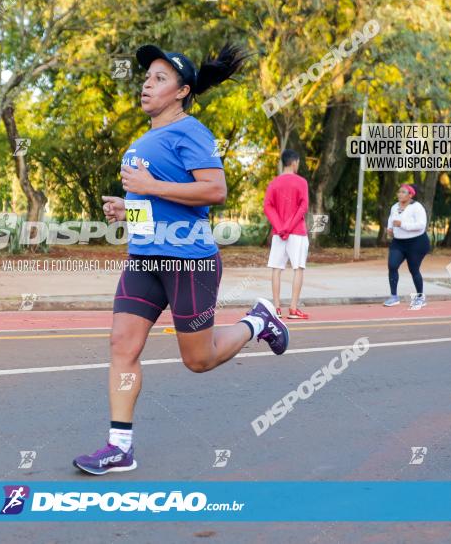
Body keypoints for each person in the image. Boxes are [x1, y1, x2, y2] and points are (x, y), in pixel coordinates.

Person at [73, 43, 289, 476]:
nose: (146, 84)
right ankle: (120, 447)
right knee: (122, 345)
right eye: (146, 77)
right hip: (144, 260)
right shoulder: (144, 140)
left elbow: (214, 191)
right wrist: (126, 208)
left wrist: (149, 187)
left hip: (188, 261)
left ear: (181, 91)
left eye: (159, 79)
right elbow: (153, 201)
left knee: (198, 360)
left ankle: (258, 322)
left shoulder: (192, 132)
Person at [263, 149, 310, 319]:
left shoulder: (273, 183)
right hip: (297, 232)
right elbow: (303, 207)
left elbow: (267, 206)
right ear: (295, 162)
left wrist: (280, 226)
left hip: (279, 233)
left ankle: (276, 308)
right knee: (298, 268)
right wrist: (289, 227)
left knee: (276, 269)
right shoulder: (302, 182)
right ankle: (293, 308)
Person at [384, 183, 430, 309]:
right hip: (398, 242)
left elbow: (421, 225)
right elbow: (391, 220)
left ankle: (420, 297)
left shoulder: (417, 207)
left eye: (403, 192)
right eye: (399, 192)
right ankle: (394, 297)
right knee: (392, 265)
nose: (400, 194)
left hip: (417, 243)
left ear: (410, 195)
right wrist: (389, 229)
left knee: (413, 270)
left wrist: (402, 225)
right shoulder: (394, 207)